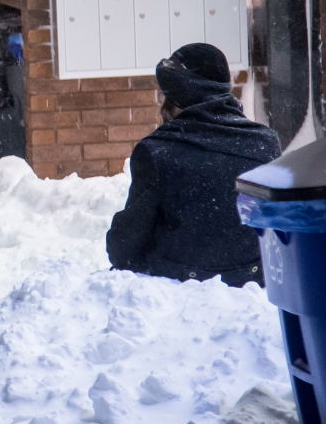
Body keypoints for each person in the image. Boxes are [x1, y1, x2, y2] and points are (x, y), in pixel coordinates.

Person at [106, 42, 281, 287]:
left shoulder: (157, 151)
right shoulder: (265, 143)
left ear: (178, 96)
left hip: (180, 285)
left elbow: (127, 244)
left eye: (166, 94)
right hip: (252, 281)